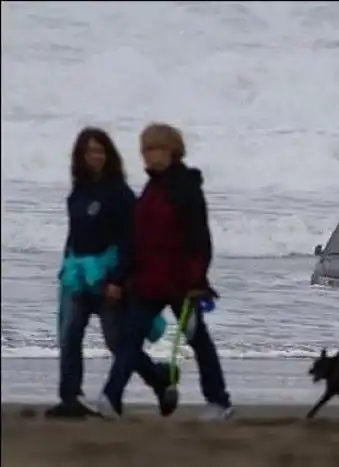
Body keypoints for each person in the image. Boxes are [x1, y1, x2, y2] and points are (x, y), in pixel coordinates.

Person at [98, 122, 234, 421]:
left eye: (157, 148)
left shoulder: (185, 188)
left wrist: (196, 280)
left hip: (181, 283)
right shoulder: (151, 189)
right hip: (147, 281)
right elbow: (136, 239)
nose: (150, 155)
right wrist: (119, 278)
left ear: (173, 151)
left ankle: (219, 401)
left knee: (198, 340)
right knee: (130, 338)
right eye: (146, 149)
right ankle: (111, 396)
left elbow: (200, 240)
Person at [46, 127, 172, 419]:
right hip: (77, 275)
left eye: (100, 150)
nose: (95, 156)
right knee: (69, 334)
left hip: (108, 276)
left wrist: (118, 279)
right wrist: (66, 265)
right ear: (80, 155)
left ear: (109, 155)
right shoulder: (77, 193)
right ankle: (70, 398)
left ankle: (159, 378)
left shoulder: (120, 193)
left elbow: (131, 239)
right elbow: (75, 234)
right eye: (90, 151)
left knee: (116, 341)